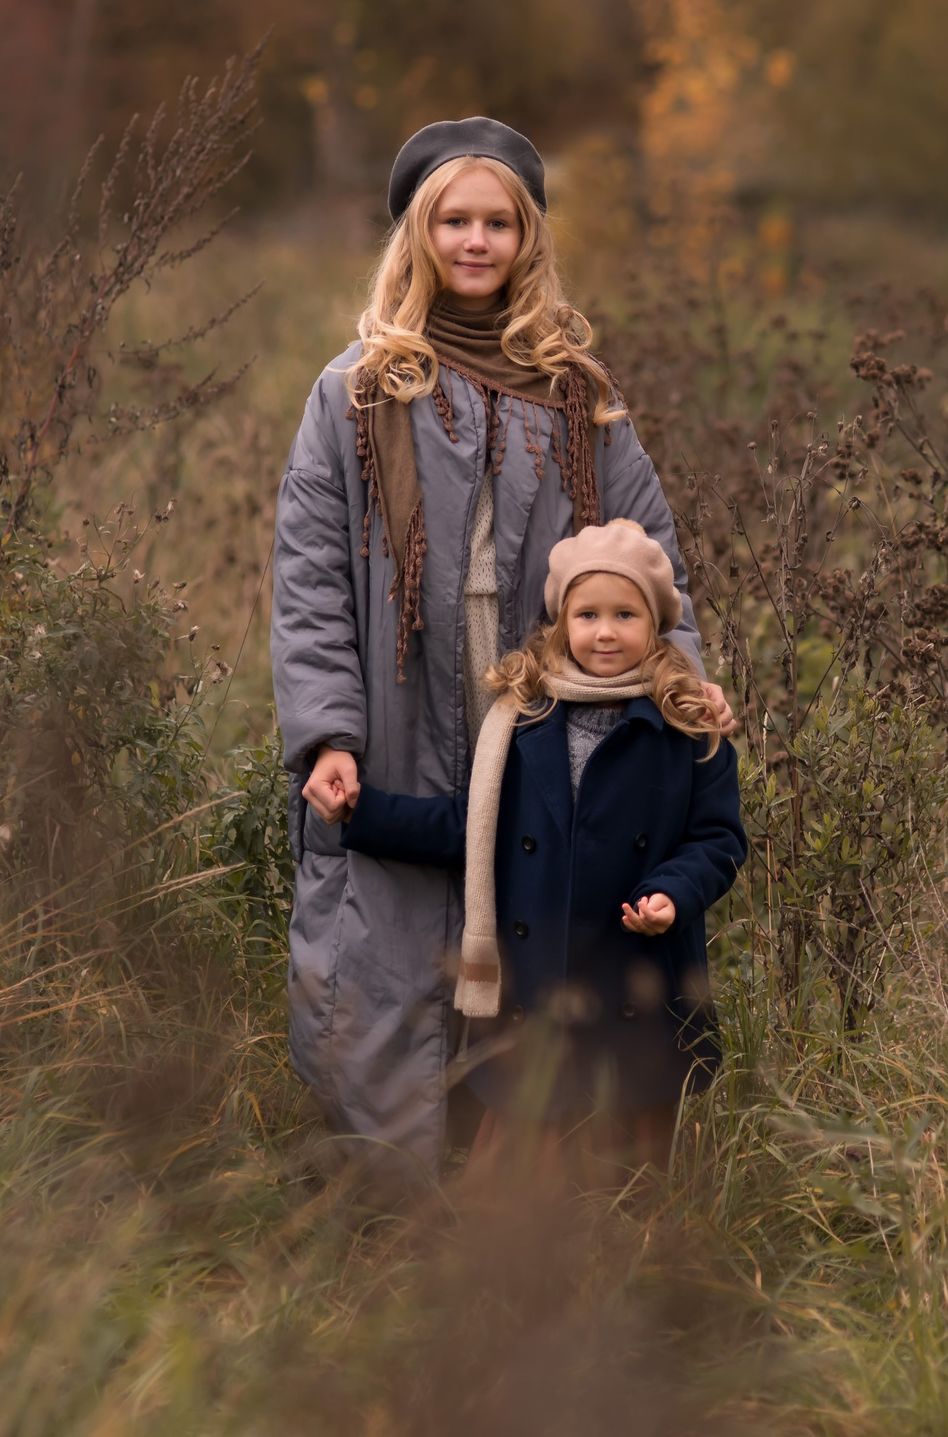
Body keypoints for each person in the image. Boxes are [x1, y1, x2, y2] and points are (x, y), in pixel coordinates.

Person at [270, 117, 732, 1192]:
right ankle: (390, 1195)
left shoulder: (577, 393)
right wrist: (327, 730)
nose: (475, 242)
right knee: (385, 928)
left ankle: (527, 1207)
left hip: (544, 709)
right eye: (453, 220)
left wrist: (686, 682)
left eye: (497, 222)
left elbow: (644, 553)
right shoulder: (355, 389)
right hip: (396, 698)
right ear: (417, 234)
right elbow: (310, 578)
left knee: (536, 933)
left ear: (528, 239)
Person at [337, 519, 744, 1181]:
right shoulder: (523, 723)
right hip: (538, 998)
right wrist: (365, 812)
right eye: (588, 614)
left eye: (624, 614)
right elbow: (470, 827)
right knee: (514, 1202)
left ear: (656, 624)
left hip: (634, 985)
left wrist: (673, 890)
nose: (605, 632)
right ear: (562, 624)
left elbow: (719, 839)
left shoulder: (686, 725)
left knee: (629, 1194)